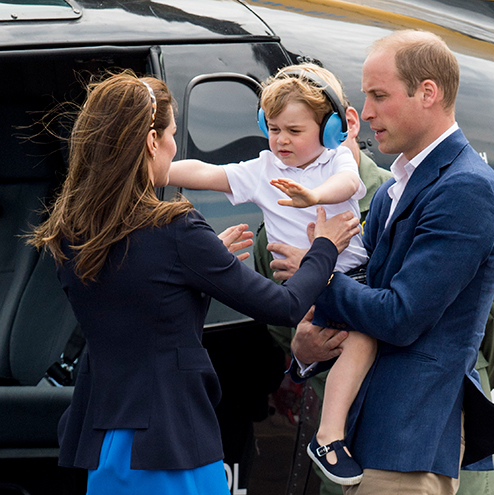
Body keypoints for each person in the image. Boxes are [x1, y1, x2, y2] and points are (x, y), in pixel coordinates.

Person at [28, 71, 360, 495]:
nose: (173, 145)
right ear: (152, 142)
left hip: (105, 442)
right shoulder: (176, 231)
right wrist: (325, 248)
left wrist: (198, 271)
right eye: (169, 133)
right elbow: (286, 306)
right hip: (172, 443)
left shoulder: (70, 232)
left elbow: (140, 300)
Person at [289, 30, 494, 495]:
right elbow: (363, 295)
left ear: (428, 93)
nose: (365, 113)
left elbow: (401, 316)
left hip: (408, 446)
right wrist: (307, 349)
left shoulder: (468, 188)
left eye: (379, 96)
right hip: (364, 445)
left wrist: (318, 277)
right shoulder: (392, 190)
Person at [169, 63, 382, 485]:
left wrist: (313, 197)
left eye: (294, 131)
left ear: (334, 128)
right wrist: (154, 170)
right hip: (306, 294)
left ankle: (330, 434)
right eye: (273, 128)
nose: (281, 140)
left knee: (362, 339)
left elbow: (346, 183)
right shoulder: (264, 168)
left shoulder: (337, 160)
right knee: (343, 342)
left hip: (353, 282)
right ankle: (331, 434)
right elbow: (208, 174)